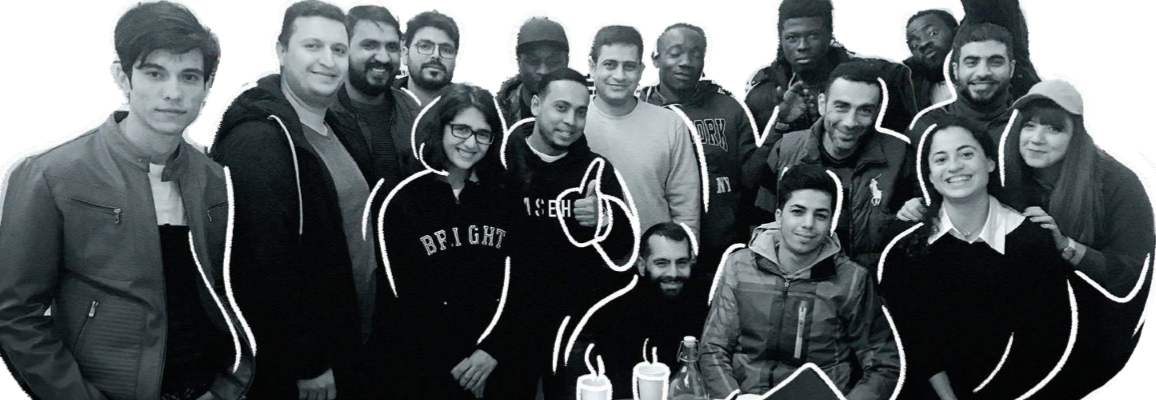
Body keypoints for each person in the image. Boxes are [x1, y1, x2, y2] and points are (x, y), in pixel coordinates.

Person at [0, 2, 254, 399]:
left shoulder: (216, 181)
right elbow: (15, 316)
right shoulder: (51, 176)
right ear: (123, 76)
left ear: (206, 87)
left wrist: (228, 387)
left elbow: (237, 298)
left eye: (189, 76)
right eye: (154, 73)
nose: (173, 93)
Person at [209, 1, 370, 398]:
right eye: (312, 46)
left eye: (338, 49)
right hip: (304, 369)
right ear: (281, 51)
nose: (328, 61)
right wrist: (307, 360)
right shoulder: (258, 141)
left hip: (348, 343)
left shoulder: (338, 126)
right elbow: (260, 266)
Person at [879, 116, 1071, 399]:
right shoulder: (906, 244)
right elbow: (911, 337)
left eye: (966, 154)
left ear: (990, 162)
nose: (954, 166)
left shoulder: (1033, 242)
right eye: (941, 159)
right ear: (930, 175)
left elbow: (1046, 339)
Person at [1001, 80, 1155, 399]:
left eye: (1053, 129)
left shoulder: (1118, 184)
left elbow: (1131, 275)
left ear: (1077, 136)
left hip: (1097, 327)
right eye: (1029, 125)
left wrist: (1066, 245)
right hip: (1028, 322)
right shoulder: (1010, 178)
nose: (1036, 139)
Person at [700, 164, 900, 399]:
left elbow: (883, 365)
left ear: (830, 223)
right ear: (779, 216)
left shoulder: (852, 279)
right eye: (798, 211)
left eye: (820, 215)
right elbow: (713, 348)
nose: (808, 224)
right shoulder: (739, 266)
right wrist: (732, 396)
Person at [374, 84, 518, 399]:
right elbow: (401, 298)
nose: (471, 143)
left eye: (483, 133)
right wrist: (457, 366)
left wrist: (492, 350)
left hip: (494, 361)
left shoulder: (505, 195)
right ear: (440, 128)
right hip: (425, 367)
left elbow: (522, 282)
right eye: (461, 129)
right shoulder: (403, 199)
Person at [502, 68, 636, 400]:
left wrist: (604, 219)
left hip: (574, 324)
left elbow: (625, 251)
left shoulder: (596, 170)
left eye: (580, 112)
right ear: (536, 105)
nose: (571, 121)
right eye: (561, 107)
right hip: (509, 320)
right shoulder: (503, 163)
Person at [746, 61, 914, 270]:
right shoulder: (786, 150)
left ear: (877, 112)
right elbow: (760, 225)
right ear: (822, 104)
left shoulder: (899, 157)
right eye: (841, 107)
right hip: (797, 281)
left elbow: (911, 235)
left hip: (867, 284)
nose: (850, 122)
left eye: (864, 110)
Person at [639, 23, 758, 292]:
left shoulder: (728, 107)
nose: (686, 62)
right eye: (675, 53)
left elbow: (751, 177)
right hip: (659, 254)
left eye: (696, 54)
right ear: (656, 59)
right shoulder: (639, 109)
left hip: (722, 248)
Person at [745, 0, 917, 147]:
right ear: (781, 39)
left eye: (813, 35)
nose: (802, 46)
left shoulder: (883, 78)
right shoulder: (761, 95)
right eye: (792, 38)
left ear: (829, 35)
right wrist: (781, 123)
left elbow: (907, 149)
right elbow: (755, 168)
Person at [584, 24, 702, 237]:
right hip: (586, 251)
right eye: (610, 65)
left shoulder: (670, 125)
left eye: (629, 66)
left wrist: (685, 252)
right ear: (592, 67)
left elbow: (686, 209)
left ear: (641, 70)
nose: (619, 76)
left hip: (655, 254)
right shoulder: (573, 125)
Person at [588, 222, 708, 393]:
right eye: (662, 263)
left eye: (681, 263)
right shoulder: (620, 308)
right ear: (642, 266)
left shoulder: (704, 299)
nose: (673, 273)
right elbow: (619, 378)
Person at [332, 5, 420, 192]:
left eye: (392, 47)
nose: (384, 58)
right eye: (370, 45)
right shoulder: (322, 115)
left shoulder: (413, 113)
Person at [904, 0, 1040, 111]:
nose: (923, 44)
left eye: (933, 33)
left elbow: (990, 6)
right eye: (914, 45)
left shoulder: (989, 42)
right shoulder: (915, 90)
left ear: (956, 31)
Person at [905, 22, 1020, 144]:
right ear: (955, 70)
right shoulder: (925, 129)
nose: (983, 73)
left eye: (995, 62)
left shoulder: (1026, 124)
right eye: (971, 63)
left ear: (1011, 69)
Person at [498, 17, 571, 139]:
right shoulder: (496, 115)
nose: (543, 71)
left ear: (566, 62)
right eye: (533, 61)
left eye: (553, 62)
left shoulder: (584, 114)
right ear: (519, 61)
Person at [394, 11, 460, 106]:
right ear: (405, 54)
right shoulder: (380, 99)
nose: (436, 55)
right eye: (425, 46)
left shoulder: (469, 107)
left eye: (446, 50)